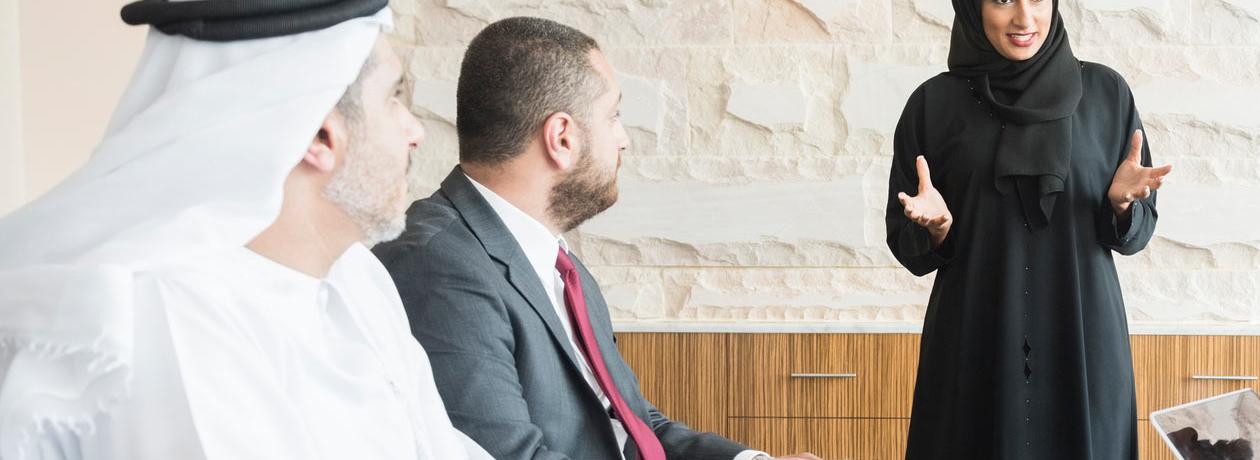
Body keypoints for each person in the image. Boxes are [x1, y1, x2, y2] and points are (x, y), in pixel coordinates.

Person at [0, 1, 490, 458]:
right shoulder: (170, 316)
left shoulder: (358, 276)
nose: (415, 131)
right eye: (394, 98)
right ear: (321, 135)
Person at [371, 17, 816, 460]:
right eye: (613, 116)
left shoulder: (559, 267)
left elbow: (633, 425)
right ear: (562, 138)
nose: (623, 140)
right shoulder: (437, 266)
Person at [887, 0, 1171, 458]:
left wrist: (1121, 206)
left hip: (1082, 332)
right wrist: (937, 229)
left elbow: (1137, 231)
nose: (1024, 18)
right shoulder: (933, 104)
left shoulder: (1106, 93)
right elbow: (905, 242)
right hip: (975, 333)